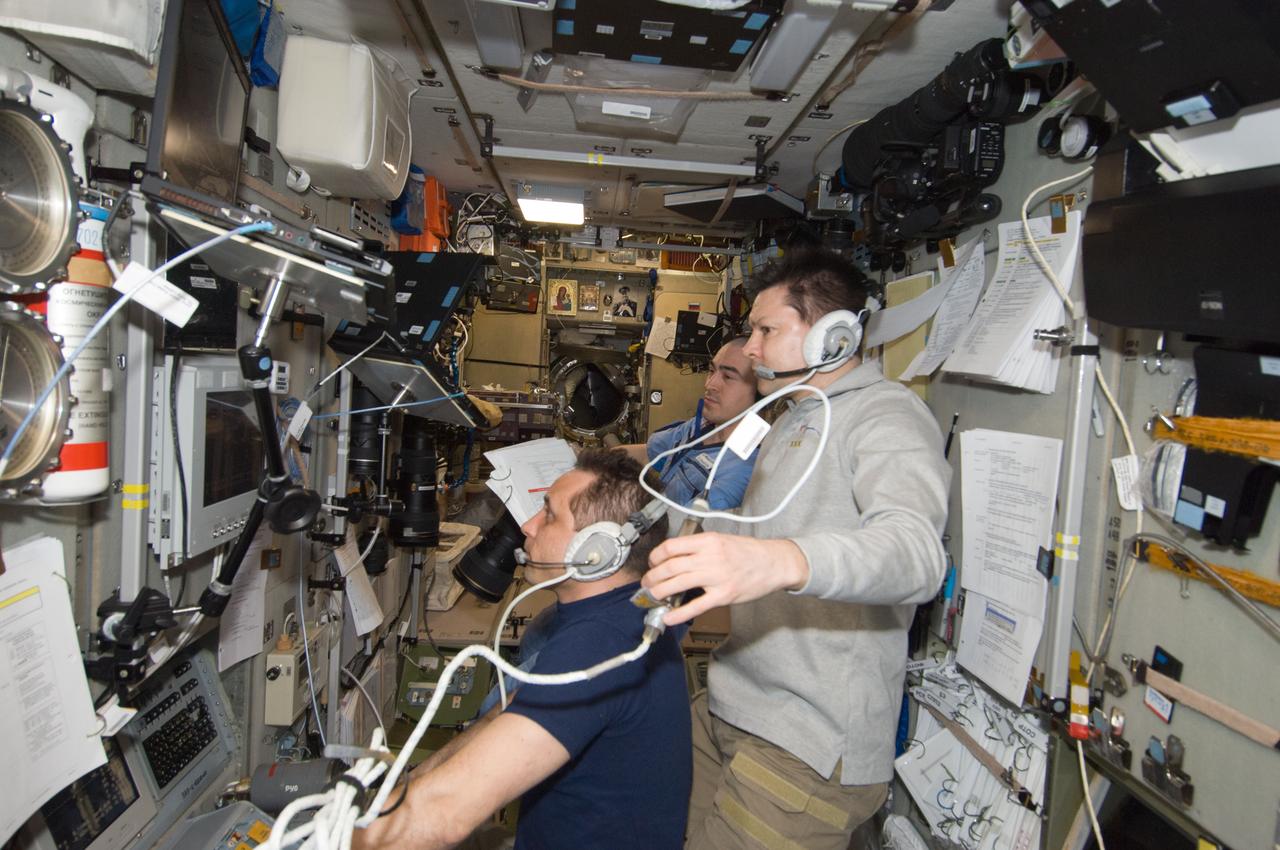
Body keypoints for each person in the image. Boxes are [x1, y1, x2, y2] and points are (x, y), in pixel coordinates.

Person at [640, 248, 951, 849]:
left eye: (766, 330)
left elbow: (916, 555)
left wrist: (781, 560)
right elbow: (761, 535)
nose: (751, 347)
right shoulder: (787, 419)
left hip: (809, 742)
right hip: (733, 705)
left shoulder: (887, 417)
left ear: (832, 336)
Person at [354, 450, 690, 850]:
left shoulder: (600, 645)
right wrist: (408, 786)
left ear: (597, 548)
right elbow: (505, 714)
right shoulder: (618, 613)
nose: (528, 526)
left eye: (548, 515)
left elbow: (442, 816)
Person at [618, 336, 760, 510]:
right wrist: (590, 461)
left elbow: (684, 525)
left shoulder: (741, 468)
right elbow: (647, 453)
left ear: (760, 391)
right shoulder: (701, 426)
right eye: (711, 370)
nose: (710, 384)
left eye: (728, 377)